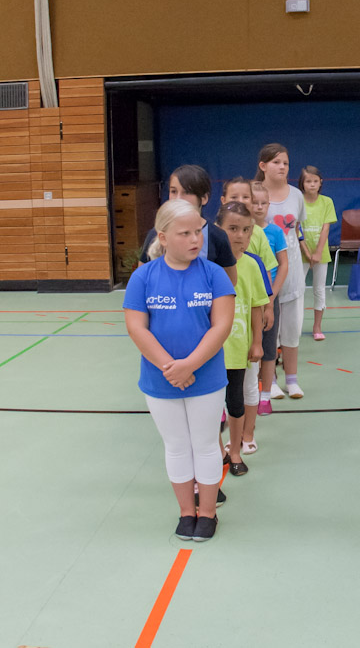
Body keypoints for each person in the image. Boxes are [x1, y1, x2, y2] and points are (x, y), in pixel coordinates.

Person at [123, 199, 235, 542]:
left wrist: (190, 365)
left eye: (198, 231)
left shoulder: (214, 274)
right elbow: (137, 327)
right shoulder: (143, 277)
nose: (195, 239)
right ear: (163, 237)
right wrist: (170, 368)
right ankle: (187, 512)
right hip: (160, 380)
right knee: (176, 446)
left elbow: (221, 326)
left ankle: (208, 512)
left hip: (207, 379)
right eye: (184, 233)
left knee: (205, 444)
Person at [216, 201, 269, 476]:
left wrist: (257, 342)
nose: (240, 235)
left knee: (235, 404)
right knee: (211, 408)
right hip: (211, 352)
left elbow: (256, 307)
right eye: (233, 229)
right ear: (218, 230)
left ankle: (235, 451)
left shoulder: (251, 265)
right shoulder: (209, 266)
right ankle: (217, 452)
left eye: (246, 230)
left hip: (238, 350)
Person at [255, 144, 306, 399]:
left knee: (292, 331)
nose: (282, 167)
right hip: (265, 279)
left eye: (285, 162)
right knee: (268, 333)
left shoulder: (296, 195)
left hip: (292, 275)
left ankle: (292, 380)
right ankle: (270, 380)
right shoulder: (255, 196)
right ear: (263, 166)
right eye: (276, 162)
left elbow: (296, 231)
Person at [140, 165, 237, 286]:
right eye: (173, 191)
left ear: (204, 198)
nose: (178, 198)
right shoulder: (156, 234)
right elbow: (142, 279)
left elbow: (230, 282)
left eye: (186, 192)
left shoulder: (217, 236)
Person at [248, 180, 288, 419]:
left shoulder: (275, 232)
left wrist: (271, 296)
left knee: (269, 345)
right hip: (246, 298)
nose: (259, 207)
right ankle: (251, 392)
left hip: (269, 297)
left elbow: (283, 265)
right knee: (250, 345)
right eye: (255, 202)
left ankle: (265, 396)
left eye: (264, 203)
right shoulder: (241, 232)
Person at [298, 165, 337, 341]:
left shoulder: (327, 202)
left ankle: (317, 327)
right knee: (298, 290)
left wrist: (318, 252)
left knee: (319, 290)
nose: (312, 184)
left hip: (321, 255)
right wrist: (307, 252)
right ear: (302, 183)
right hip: (301, 255)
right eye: (308, 181)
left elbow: (325, 228)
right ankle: (295, 326)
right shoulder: (298, 201)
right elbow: (296, 228)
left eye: (315, 181)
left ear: (320, 182)